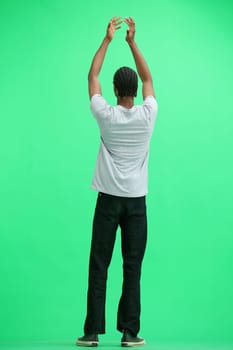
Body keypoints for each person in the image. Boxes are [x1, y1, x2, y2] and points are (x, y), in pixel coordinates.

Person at [76, 16, 158, 347]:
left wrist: (107, 39)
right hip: (136, 202)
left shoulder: (105, 115)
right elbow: (150, 76)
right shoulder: (147, 114)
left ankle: (92, 333)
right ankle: (129, 333)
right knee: (132, 267)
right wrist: (132, 41)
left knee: (99, 265)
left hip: (108, 201)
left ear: (114, 90)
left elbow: (91, 75)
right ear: (135, 91)